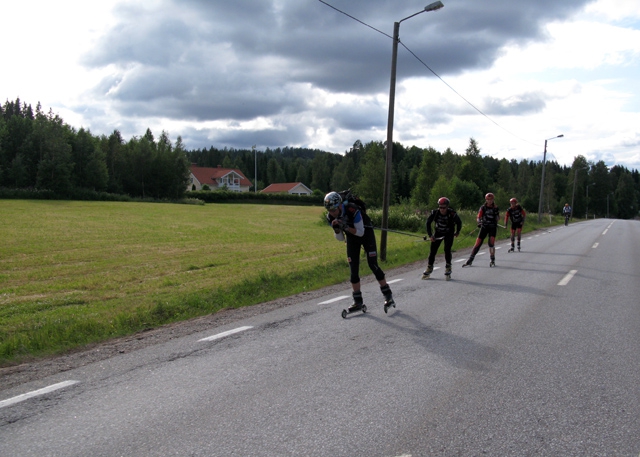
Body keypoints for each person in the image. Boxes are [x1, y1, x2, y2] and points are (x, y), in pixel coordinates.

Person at [324, 191, 395, 313]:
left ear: (340, 205)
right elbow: (341, 238)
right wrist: (337, 229)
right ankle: (357, 301)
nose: (332, 213)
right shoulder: (330, 217)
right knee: (353, 268)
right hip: (352, 238)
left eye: (334, 210)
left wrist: (345, 227)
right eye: (330, 211)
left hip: (365, 234)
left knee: (372, 264)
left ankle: (388, 295)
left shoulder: (352, 209)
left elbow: (360, 232)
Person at [422, 197, 462, 280]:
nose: (442, 209)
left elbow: (459, 222)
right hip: (438, 233)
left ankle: (448, 267)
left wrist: (457, 232)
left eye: (444, 207)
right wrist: (430, 235)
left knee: (447, 249)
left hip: (449, 233)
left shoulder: (452, 214)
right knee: (432, 251)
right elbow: (428, 223)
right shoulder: (435, 213)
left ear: (447, 207)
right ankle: (429, 267)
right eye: (440, 207)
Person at [463, 192, 500, 267]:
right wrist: (479, 222)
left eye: (491, 200)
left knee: (491, 243)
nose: (489, 201)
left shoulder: (495, 208)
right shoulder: (483, 207)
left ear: (493, 200)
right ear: (486, 200)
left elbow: (497, 217)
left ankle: (492, 259)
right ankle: (470, 260)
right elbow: (478, 217)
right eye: (488, 199)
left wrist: (496, 218)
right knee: (478, 243)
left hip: (492, 227)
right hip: (484, 226)